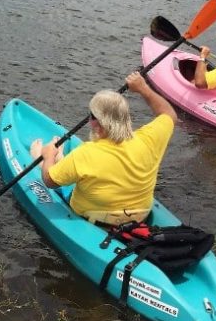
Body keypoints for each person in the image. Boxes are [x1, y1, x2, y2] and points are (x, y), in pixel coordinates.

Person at [29, 72, 177, 226]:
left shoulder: (87, 152)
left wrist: (48, 156)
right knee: (80, 171)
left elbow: (49, 182)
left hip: (94, 220)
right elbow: (169, 114)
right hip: (140, 217)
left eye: (91, 116)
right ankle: (62, 161)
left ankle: (53, 159)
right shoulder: (149, 138)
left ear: (96, 122)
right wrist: (143, 88)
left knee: (57, 175)